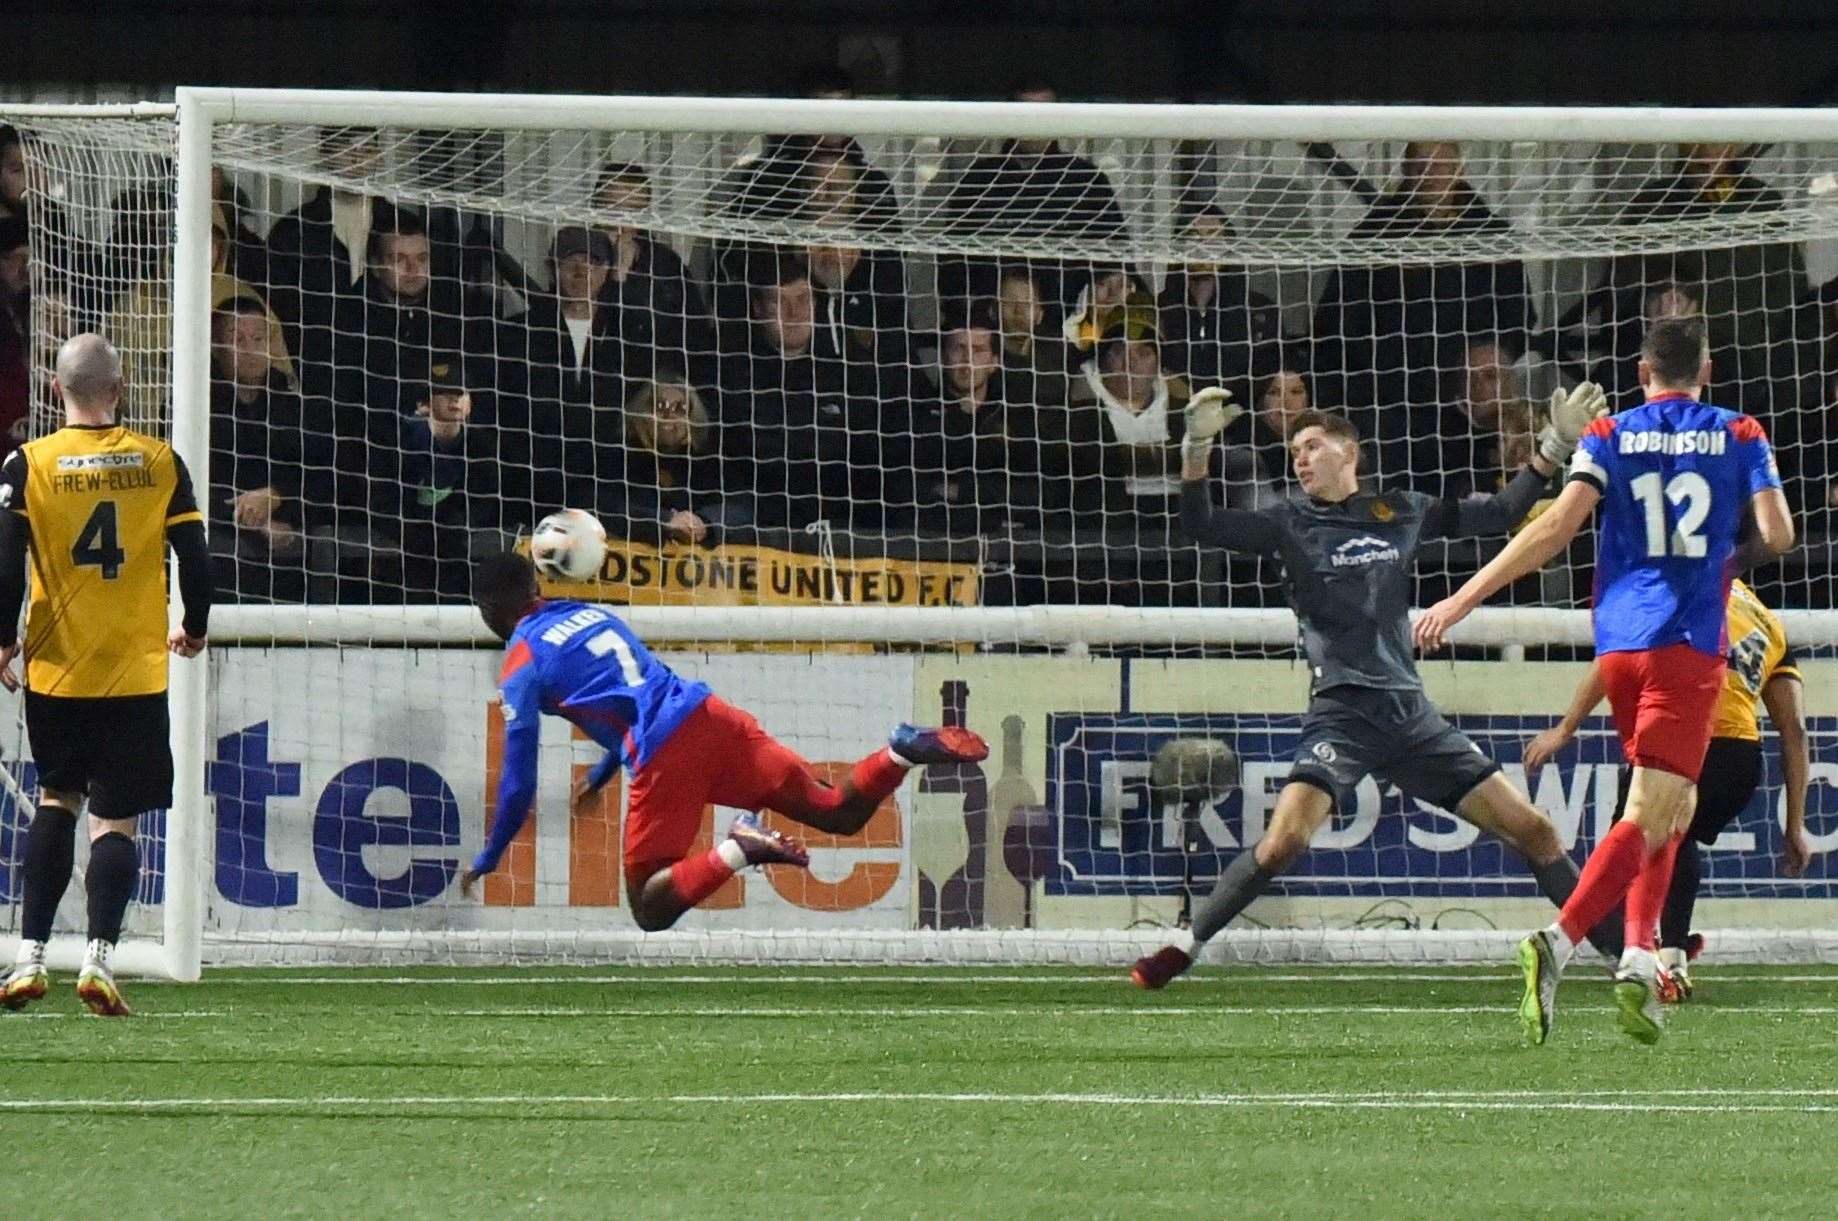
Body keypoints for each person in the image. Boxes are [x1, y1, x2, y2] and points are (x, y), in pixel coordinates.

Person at [1130, 382, 1621, 991]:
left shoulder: (1400, 511)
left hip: (1412, 716)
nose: (1301, 459)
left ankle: (1619, 954)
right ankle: (1185, 944)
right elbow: (1200, 524)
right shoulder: (1287, 523)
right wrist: (1195, 447)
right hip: (1343, 714)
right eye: (1293, 453)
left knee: (1537, 831)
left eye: (1311, 446)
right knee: (1284, 842)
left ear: (1348, 452)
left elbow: (1495, 516)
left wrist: (1553, 448)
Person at [1414, 315, 1796, 1044]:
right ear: (1705, 371)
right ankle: (1556, 942)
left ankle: (1641, 960)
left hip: (1618, 643)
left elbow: (1554, 527)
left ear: (1641, 371)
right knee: (1651, 815)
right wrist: (1727, 561)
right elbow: (1778, 534)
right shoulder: (1740, 432)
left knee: (1671, 809)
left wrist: (1462, 598)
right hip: (1687, 642)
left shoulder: (1609, 434)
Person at [458, 551, 989, 931]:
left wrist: (492, 853)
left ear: (489, 613)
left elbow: (518, 778)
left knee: (649, 906)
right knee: (837, 811)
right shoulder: (591, 613)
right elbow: (631, 692)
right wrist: (600, 775)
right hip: (712, 716)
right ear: (537, 589)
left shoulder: (521, 664)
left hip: (666, 754)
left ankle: (740, 846)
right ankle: (900, 749)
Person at [0, 335, 213, 1016]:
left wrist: (3, 639)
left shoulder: (28, 463)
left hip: (59, 667)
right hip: (136, 669)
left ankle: (28, 956)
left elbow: (7, 563)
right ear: (119, 390)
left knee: (57, 797)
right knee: (115, 820)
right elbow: (196, 556)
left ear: (55, 390)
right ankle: (99, 958)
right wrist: (196, 621)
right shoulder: (158, 461)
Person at [1521, 578, 1811, 1000]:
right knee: (1676, 833)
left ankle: (1596, 946)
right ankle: (1669, 955)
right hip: (1739, 761)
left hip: (1679, 735)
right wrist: (1795, 825)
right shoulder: (1766, 620)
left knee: (1638, 838)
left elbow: (1613, 659)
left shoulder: (1675, 586)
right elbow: (1795, 730)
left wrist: (1566, 728)